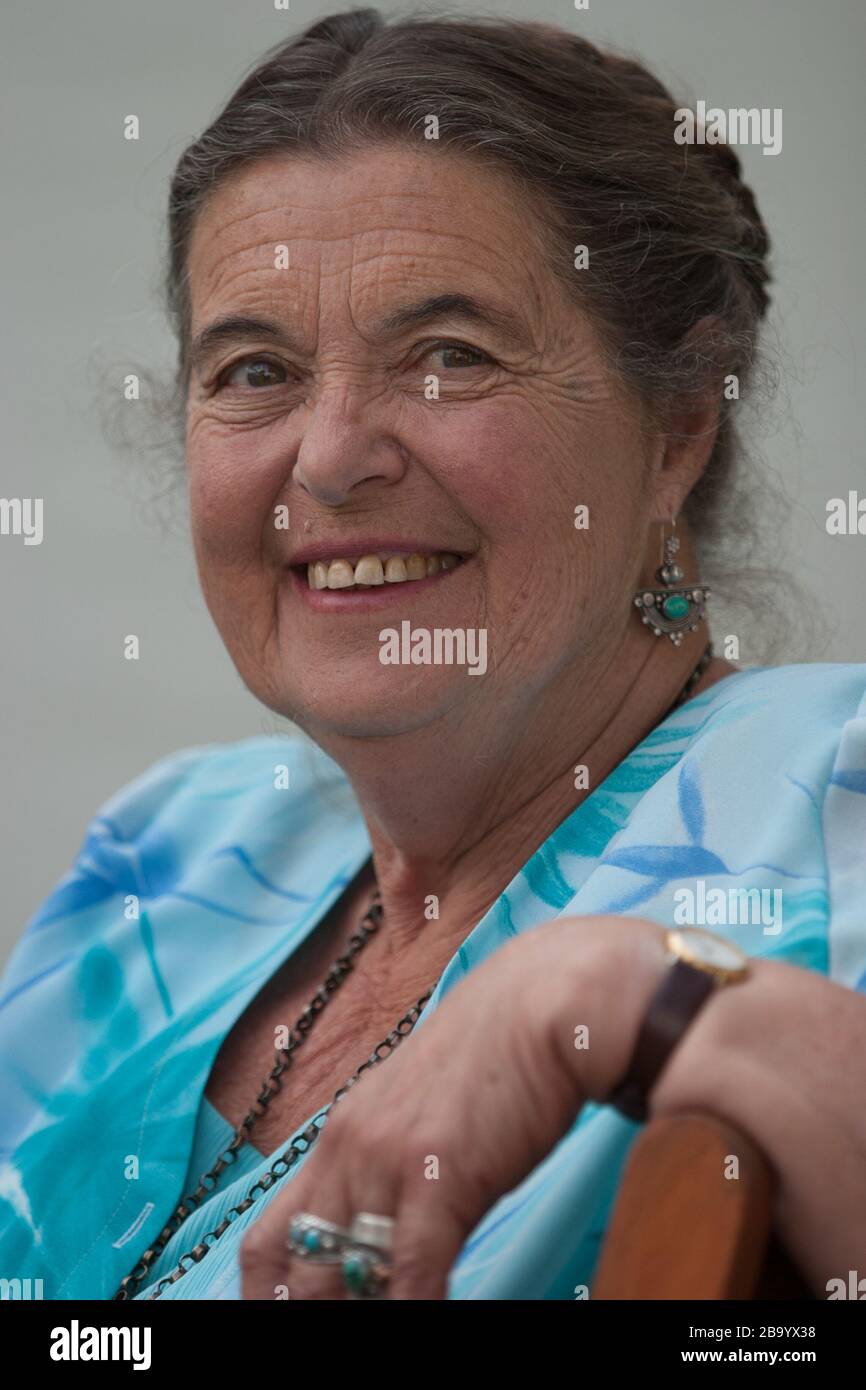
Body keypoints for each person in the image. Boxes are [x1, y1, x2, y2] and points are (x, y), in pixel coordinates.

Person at [1, 10, 864, 1302]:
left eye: (449, 357)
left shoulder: (830, 794)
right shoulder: (172, 849)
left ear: (677, 427)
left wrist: (614, 996)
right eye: (254, 370)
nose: (333, 454)